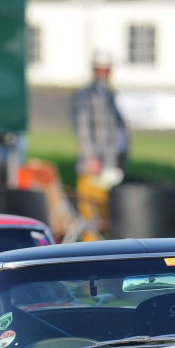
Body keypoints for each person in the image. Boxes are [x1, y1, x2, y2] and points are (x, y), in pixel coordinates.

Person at [70, 49, 128, 233]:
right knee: (90, 213)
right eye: (101, 69)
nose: (104, 73)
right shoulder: (86, 94)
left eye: (107, 69)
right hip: (93, 164)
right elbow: (83, 127)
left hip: (109, 163)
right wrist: (90, 157)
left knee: (105, 213)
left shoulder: (109, 94)